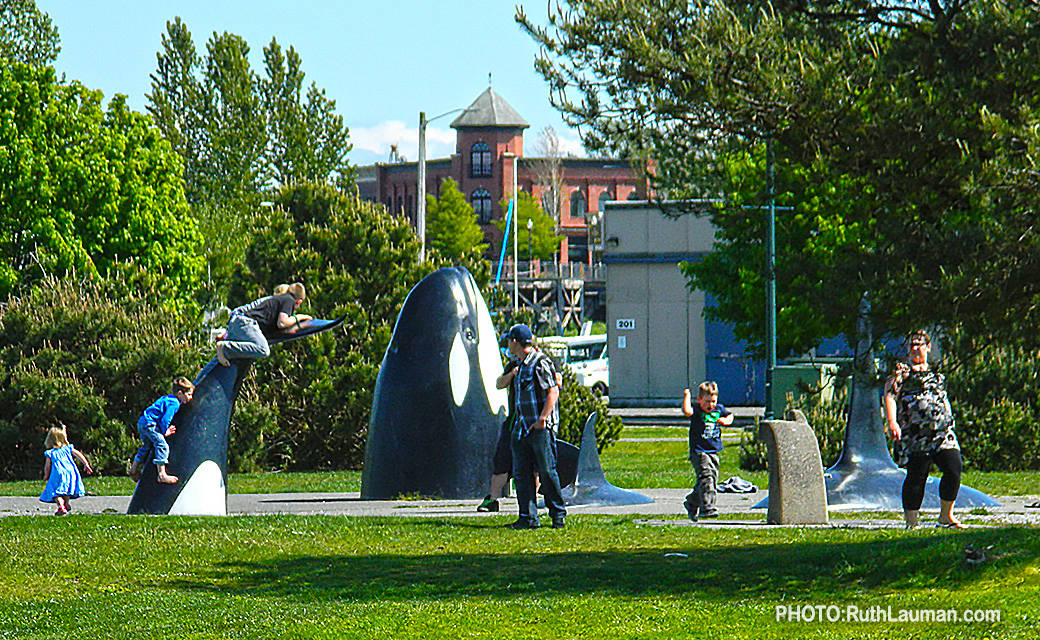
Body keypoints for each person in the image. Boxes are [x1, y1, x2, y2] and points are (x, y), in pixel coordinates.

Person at [884, 330, 965, 529]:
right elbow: (889, 396)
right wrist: (892, 422)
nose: (915, 348)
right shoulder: (901, 373)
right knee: (917, 475)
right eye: (911, 344)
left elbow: (943, 397)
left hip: (942, 432)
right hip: (916, 433)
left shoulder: (937, 373)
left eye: (919, 344)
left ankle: (946, 516)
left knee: (954, 468)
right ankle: (912, 522)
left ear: (928, 347)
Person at [504, 324, 567, 530]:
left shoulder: (539, 363)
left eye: (509, 340)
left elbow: (552, 392)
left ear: (516, 342)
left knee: (547, 472)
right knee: (522, 474)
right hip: (522, 428)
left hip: (539, 429)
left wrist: (543, 419)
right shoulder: (519, 365)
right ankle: (527, 517)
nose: (507, 344)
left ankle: (558, 514)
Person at [215, 282, 312, 366]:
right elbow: (282, 323)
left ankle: (226, 349)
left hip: (239, 323)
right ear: (299, 301)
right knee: (263, 349)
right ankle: (225, 348)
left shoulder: (279, 299)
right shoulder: (289, 300)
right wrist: (299, 317)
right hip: (246, 322)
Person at [681, 380, 733, 522]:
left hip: (713, 450)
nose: (710, 405)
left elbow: (730, 416)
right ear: (699, 400)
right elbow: (687, 411)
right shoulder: (697, 410)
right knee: (706, 476)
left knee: (710, 481)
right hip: (699, 451)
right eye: (707, 401)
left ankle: (691, 503)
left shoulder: (719, 409)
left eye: (713, 401)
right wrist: (687, 395)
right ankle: (707, 508)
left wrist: (726, 421)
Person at [129, 377, 195, 484]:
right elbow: (165, 419)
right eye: (189, 394)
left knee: (146, 446)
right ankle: (162, 474)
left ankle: (134, 468)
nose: (191, 398)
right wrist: (165, 431)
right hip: (151, 424)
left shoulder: (168, 398)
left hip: (143, 422)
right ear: (180, 393)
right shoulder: (175, 403)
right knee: (162, 445)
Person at [39, 424, 92, 515]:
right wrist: (86, 464)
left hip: (58, 473)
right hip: (71, 472)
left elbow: (47, 467)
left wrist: (46, 475)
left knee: (55, 492)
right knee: (66, 489)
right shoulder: (68, 449)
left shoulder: (50, 453)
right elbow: (79, 454)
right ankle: (67, 504)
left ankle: (61, 506)